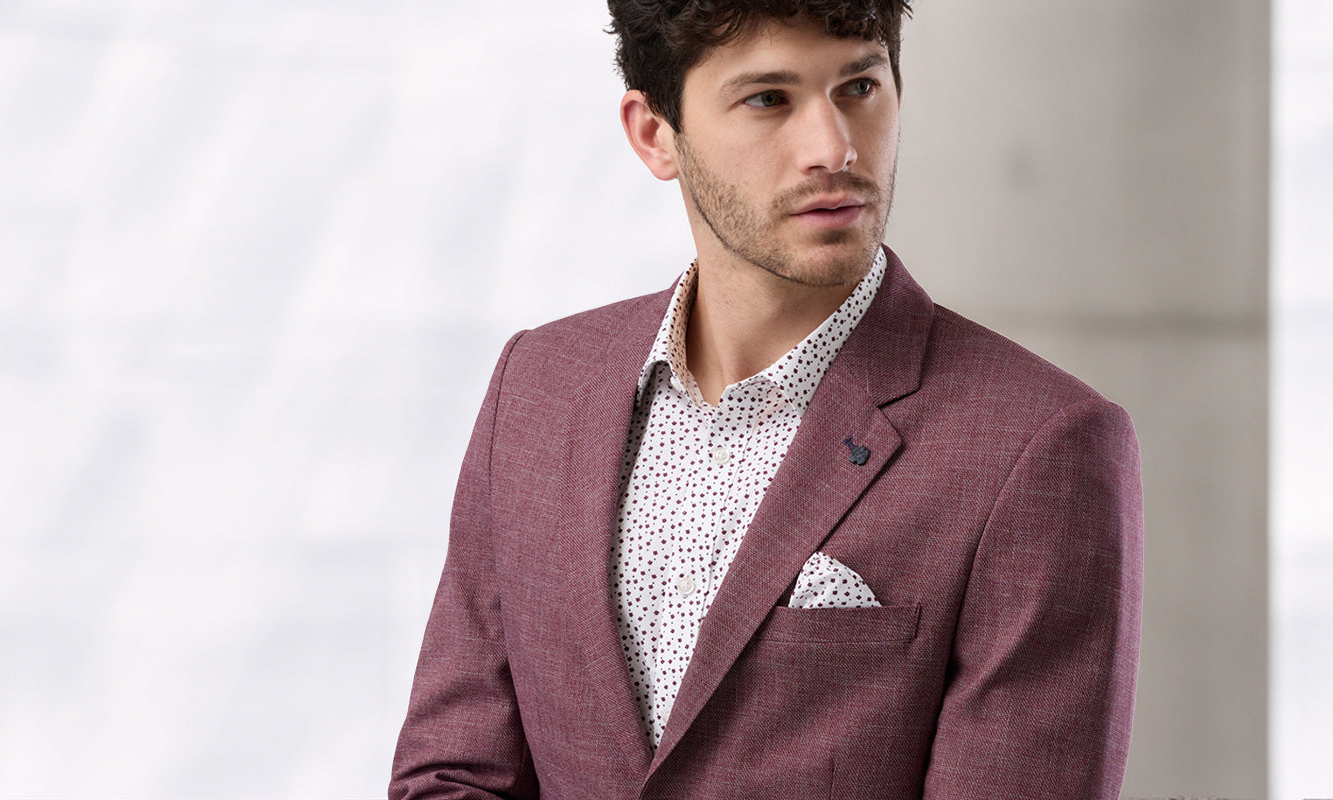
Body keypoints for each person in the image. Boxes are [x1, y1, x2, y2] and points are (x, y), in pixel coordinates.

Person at [389, 1, 1143, 797]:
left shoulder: (1038, 446)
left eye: (859, 87)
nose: (834, 148)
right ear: (655, 134)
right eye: (768, 99)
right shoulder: (538, 386)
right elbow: (453, 772)